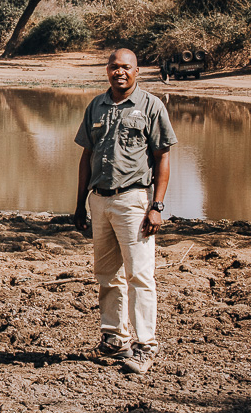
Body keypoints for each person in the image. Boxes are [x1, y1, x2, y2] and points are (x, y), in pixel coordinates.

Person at [73, 48, 177, 375]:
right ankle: (114, 337)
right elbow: (86, 156)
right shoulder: (96, 106)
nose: (120, 72)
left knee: (140, 276)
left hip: (134, 200)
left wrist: (156, 206)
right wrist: (79, 204)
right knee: (107, 274)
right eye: (114, 66)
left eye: (126, 67)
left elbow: (162, 157)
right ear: (107, 70)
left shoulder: (151, 106)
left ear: (137, 72)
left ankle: (145, 345)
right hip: (99, 200)